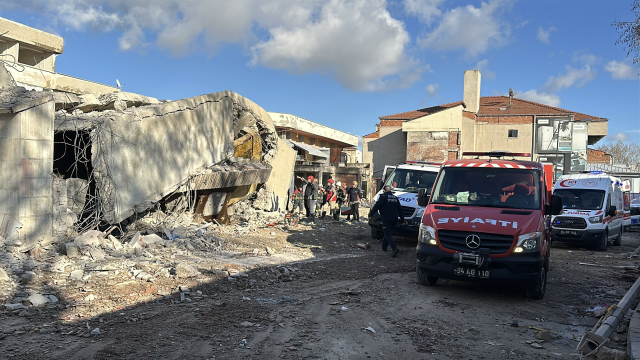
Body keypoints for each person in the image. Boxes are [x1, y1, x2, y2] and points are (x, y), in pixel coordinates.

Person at [369, 185, 405, 257]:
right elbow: (400, 210)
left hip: (387, 218)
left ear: (384, 191)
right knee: (388, 232)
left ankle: (394, 248)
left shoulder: (383, 197)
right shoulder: (395, 198)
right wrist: (402, 220)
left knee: (387, 233)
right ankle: (384, 247)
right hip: (395, 219)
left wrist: (371, 213)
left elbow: (377, 206)